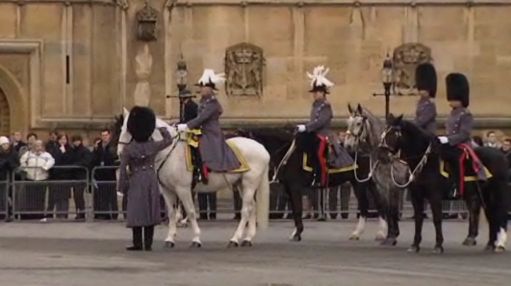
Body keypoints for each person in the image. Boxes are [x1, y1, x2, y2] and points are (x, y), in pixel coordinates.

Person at [118, 106, 173, 251]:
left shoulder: (128, 149)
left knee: (136, 211)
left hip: (136, 179)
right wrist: (160, 127)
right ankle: (148, 244)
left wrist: (121, 187)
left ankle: (137, 243)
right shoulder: (152, 145)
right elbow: (168, 140)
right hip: (150, 178)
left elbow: (123, 169)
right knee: (150, 210)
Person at [177, 69, 241, 183]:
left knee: (201, 146)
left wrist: (186, 126)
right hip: (201, 131)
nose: (201, 89)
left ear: (210, 89)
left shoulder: (213, 104)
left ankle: (204, 173)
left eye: (203, 86)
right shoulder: (203, 102)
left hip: (210, 133)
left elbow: (202, 118)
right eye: (200, 86)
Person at [296, 65, 353, 188]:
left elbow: (320, 122)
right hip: (314, 135)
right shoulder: (315, 105)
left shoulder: (325, 106)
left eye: (318, 92)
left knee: (319, 153)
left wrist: (306, 127)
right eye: (314, 92)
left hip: (324, 136)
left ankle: (320, 176)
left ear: (323, 93)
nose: (315, 94)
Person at [437, 73, 485, 196]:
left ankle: (457, 186)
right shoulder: (452, 113)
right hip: (451, 144)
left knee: (457, 158)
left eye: (454, 99)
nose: (451, 101)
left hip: (463, 145)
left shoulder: (465, 114)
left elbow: (464, 133)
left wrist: (448, 140)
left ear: (461, 99)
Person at [19, 140, 55, 220]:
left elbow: (51, 161)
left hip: (42, 178)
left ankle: (39, 214)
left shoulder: (46, 155)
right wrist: (26, 169)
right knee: (30, 197)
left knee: (40, 198)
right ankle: (29, 214)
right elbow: (22, 161)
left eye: (40, 146)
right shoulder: (28, 154)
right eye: (36, 146)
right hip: (30, 178)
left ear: (42, 147)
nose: (38, 147)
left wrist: (45, 167)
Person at [92, 129, 119, 220]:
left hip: (110, 174)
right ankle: (102, 213)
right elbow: (94, 158)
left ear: (109, 135)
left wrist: (112, 167)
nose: (104, 137)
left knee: (111, 195)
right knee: (100, 195)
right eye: (103, 135)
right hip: (100, 174)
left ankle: (113, 213)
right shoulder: (98, 146)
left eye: (106, 135)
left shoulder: (113, 146)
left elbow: (116, 159)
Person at [69, 135, 93, 220]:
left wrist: (76, 165)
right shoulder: (73, 151)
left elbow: (86, 161)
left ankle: (81, 212)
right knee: (76, 196)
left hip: (81, 176)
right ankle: (78, 212)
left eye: (77, 141)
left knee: (79, 195)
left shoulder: (85, 151)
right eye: (74, 141)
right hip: (74, 176)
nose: (76, 142)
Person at [414, 62, 437, 134]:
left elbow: (421, 121)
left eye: (425, 89)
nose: (422, 92)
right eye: (421, 89)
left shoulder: (430, 105)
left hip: (428, 136)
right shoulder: (420, 103)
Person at [0, 136, 19, 221]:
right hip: (2, 178)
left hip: (11, 179)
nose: (5, 146)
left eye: (6, 144)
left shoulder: (13, 153)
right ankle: (4, 212)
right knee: (3, 196)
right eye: (3, 144)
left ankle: (9, 213)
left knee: (10, 196)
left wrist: (9, 164)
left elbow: (16, 164)